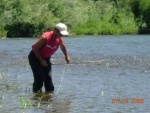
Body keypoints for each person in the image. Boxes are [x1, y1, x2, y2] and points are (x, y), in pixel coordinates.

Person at [28, 23, 70, 93]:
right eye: (60, 34)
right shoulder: (45, 37)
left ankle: (49, 99)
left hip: (46, 58)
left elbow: (62, 46)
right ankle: (36, 97)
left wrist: (66, 56)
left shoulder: (59, 38)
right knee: (40, 79)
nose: (61, 36)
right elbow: (35, 49)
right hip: (35, 57)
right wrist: (41, 61)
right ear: (56, 31)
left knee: (48, 80)